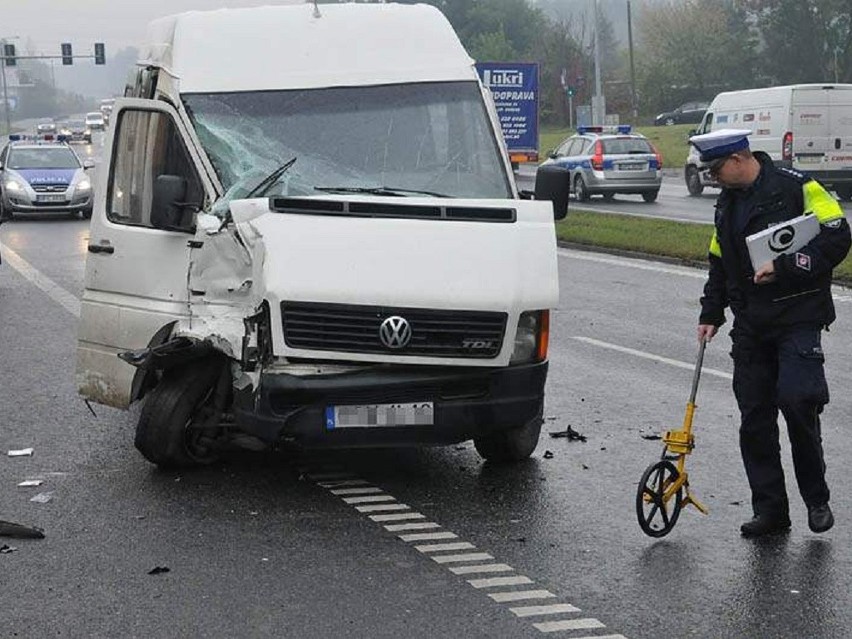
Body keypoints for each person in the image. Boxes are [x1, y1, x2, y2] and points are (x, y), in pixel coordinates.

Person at [693, 128, 851, 537]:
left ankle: (816, 500)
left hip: (798, 315)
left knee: (798, 402)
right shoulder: (726, 205)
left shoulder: (797, 186)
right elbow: (718, 261)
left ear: (739, 158)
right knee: (755, 420)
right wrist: (711, 312)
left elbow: (838, 236)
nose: (712, 178)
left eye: (715, 170)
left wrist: (784, 267)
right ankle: (771, 511)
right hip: (751, 325)